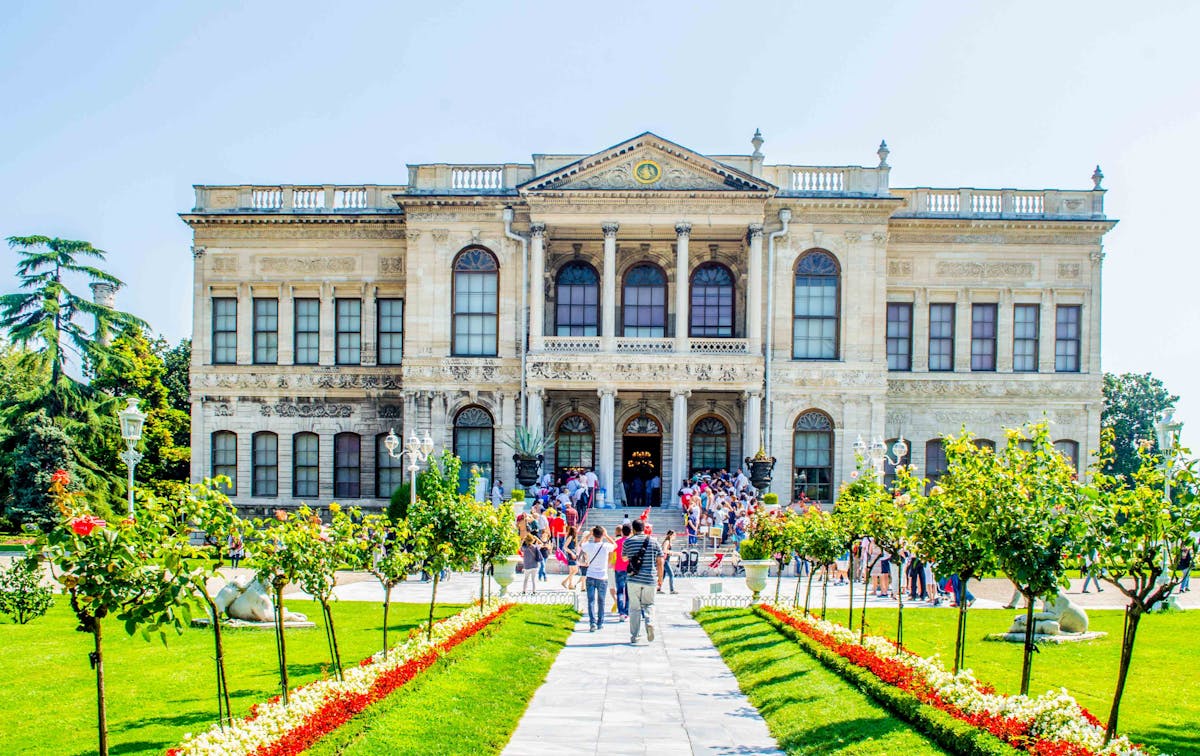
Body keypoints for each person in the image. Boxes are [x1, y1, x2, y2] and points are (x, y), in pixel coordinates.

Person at [621, 518, 664, 644]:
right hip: (650, 578)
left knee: (634, 608)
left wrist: (632, 556)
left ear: (633, 529)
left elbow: (624, 559)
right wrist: (660, 579)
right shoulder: (653, 541)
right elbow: (660, 561)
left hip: (633, 578)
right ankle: (650, 622)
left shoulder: (628, 542)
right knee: (649, 604)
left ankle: (635, 636)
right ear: (644, 528)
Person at [579, 525, 616, 631]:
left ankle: (592, 623)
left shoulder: (589, 546)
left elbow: (581, 544)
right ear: (602, 535)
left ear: (594, 535)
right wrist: (607, 535)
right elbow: (615, 545)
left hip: (590, 576)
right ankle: (600, 622)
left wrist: (589, 534)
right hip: (602, 577)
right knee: (601, 601)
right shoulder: (606, 546)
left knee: (591, 601)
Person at [613, 523, 632, 621]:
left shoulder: (618, 542)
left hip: (618, 568)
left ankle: (621, 612)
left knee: (620, 591)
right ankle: (627, 612)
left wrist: (612, 564)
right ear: (631, 532)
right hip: (629, 569)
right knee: (628, 592)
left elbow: (613, 554)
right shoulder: (632, 542)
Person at [561, 526, 581, 590]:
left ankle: (570, 584)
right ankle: (565, 581)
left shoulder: (573, 538)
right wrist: (572, 553)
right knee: (575, 570)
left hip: (572, 554)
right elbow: (565, 547)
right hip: (571, 554)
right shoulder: (570, 537)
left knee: (572, 571)